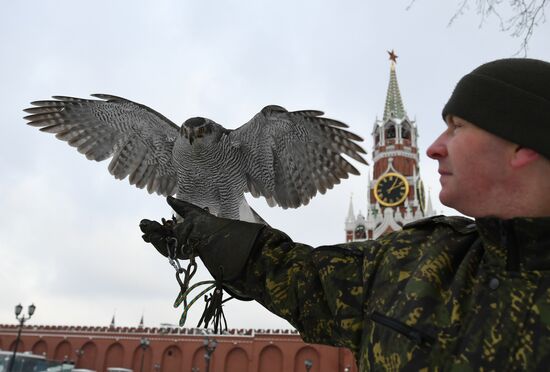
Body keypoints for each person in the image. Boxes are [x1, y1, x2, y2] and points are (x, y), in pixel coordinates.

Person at [140, 58, 550, 371]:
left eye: (458, 127)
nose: (433, 148)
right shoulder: (420, 257)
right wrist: (221, 238)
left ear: (522, 145)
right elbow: (305, 282)